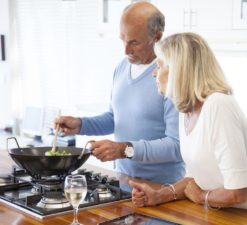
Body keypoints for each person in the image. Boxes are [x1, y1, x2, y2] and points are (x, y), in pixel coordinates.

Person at [129, 32, 247, 222]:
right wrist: (158, 196)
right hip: (232, 217)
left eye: (159, 66)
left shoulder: (218, 105)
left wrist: (202, 197)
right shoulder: (186, 110)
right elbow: (195, 179)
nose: (153, 73)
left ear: (178, 70)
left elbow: (237, 192)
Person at [55, 2, 185, 184]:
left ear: (157, 37)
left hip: (162, 188)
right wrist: (81, 125)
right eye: (123, 40)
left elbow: (176, 146)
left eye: (134, 42)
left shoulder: (171, 75)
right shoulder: (122, 68)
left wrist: (125, 149)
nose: (125, 50)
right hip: (124, 181)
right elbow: (115, 118)